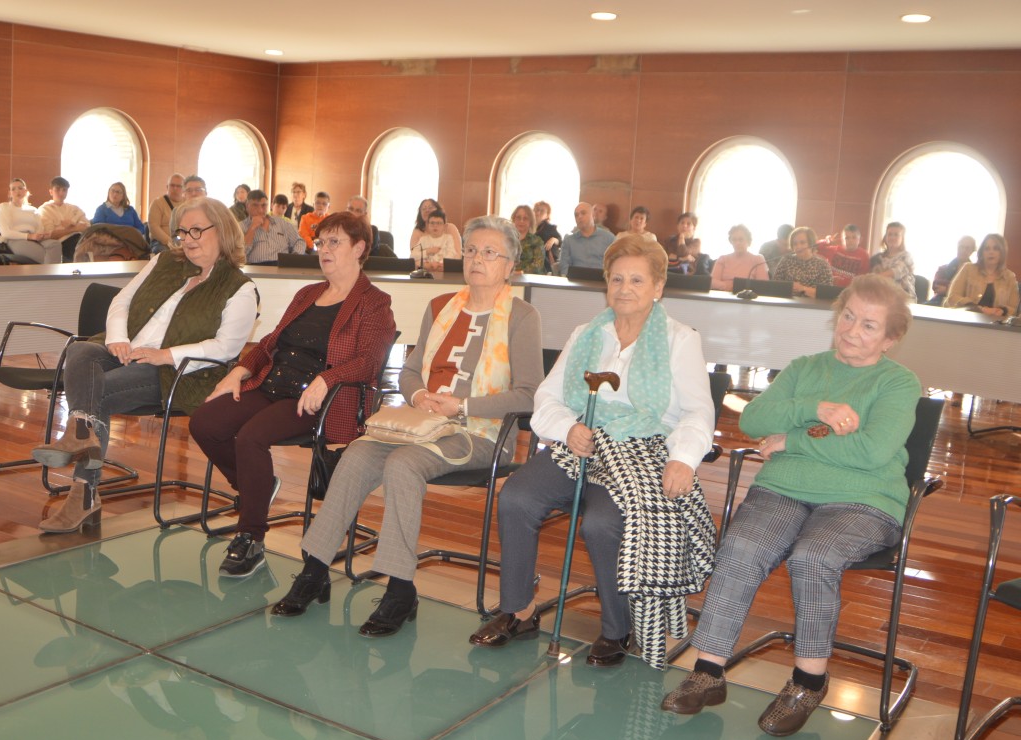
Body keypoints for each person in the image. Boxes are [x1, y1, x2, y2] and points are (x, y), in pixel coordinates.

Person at [661, 273, 921, 738]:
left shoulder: (898, 382)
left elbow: (872, 452)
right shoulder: (806, 367)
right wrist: (814, 409)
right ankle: (708, 669)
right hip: (785, 489)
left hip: (863, 499)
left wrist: (792, 439)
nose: (851, 331)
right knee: (741, 545)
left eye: (868, 326)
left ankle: (808, 681)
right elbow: (755, 417)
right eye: (848, 316)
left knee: (814, 556)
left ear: (891, 338)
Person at [270, 215, 543, 638]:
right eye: (471, 250)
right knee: (359, 453)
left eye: (490, 253)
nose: (477, 259)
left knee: (403, 464)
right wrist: (418, 397)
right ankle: (314, 568)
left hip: (483, 433)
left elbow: (529, 394)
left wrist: (463, 405)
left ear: (510, 266)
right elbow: (409, 370)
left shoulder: (522, 317)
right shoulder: (441, 307)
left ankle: (400, 589)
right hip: (422, 424)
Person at [469, 236, 715, 669]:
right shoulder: (587, 335)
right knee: (517, 496)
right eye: (616, 278)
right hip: (584, 444)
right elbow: (547, 397)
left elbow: (698, 411)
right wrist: (568, 428)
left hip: (643, 452)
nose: (624, 288)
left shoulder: (680, 339)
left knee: (602, 524)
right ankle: (520, 611)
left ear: (658, 287)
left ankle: (618, 629)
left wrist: (684, 458)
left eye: (637, 280)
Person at [30, 197, 258, 532]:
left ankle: (83, 492)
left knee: (98, 392)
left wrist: (165, 355)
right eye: (182, 232)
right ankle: (81, 432)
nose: (189, 239)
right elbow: (122, 299)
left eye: (197, 230)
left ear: (222, 230)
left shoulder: (240, 288)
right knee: (80, 352)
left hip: (177, 372)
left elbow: (226, 348)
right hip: (127, 350)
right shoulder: (165, 261)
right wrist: (118, 338)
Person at [190, 211, 397, 578]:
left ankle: (251, 537)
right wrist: (239, 371)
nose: (324, 249)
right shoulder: (308, 294)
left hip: (318, 401)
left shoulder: (375, 303)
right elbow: (271, 343)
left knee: (250, 438)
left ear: (359, 248)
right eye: (321, 242)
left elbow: (369, 361)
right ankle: (257, 485)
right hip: (272, 385)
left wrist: (328, 378)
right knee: (204, 422)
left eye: (335, 242)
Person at [944, 233, 1019, 317]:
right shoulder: (968, 269)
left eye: (996, 248)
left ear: (1002, 252)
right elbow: (952, 297)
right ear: (982, 253)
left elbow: (1014, 308)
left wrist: (1002, 311)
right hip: (966, 320)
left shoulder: (1010, 277)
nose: (991, 252)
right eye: (987, 249)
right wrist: (978, 309)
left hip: (996, 325)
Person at [0, 178, 63, 264]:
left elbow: (40, 228)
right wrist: (29, 236)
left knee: (55, 244)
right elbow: (5, 233)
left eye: (20, 188)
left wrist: (40, 235)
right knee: (45, 256)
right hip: (15, 239)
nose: (17, 191)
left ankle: (49, 275)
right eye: (13, 189)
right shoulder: (3, 208)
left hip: (35, 238)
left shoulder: (33, 210)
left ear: (25, 191)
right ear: (10, 193)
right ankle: (51, 276)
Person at [241, 189, 305, 264]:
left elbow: (299, 241)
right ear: (247, 206)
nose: (260, 210)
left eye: (264, 205)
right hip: (255, 268)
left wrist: (294, 257)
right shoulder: (240, 227)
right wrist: (252, 228)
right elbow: (240, 254)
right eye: (255, 205)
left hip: (282, 267)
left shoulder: (282, 223)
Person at [37, 176, 90, 262]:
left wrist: (72, 224)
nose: (61, 193)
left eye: (64, 190)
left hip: (80, 239)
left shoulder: (74, 208)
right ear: (51, 192)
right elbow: (51, 235)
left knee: (95, 243)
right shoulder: (44, 210)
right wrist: (75, 228)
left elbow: (87, 226)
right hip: (62, 243)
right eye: (57, 189)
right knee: (78, 246)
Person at [773, 226, 833, 298]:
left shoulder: (822, 265)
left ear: (811, 243)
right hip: (787, 304)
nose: (798, 246)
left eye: (802, 242)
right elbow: (775, 286)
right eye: (795, 244)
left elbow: (826, 293)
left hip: (813, 306)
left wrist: (803, 288)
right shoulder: (786, 260)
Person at [560, 202, 615, 276]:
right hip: (575, 282)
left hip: (601, 282)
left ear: (592, 215)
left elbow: (615, 264)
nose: (579, 217)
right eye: (576, 215)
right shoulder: (569, 240)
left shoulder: (608, 238)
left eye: (583, 213)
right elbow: (564, 267)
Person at [710, 224, 768, 291]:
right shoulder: (723, 259)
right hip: (723, 296)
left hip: (747, 298)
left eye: (741, 239)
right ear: (730, 242)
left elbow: (763, 285)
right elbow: (712, 282)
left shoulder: (758, 259)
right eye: (734, 240)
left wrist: (727, 285)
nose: (737, 243)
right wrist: (730, 286)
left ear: (748, 241)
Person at [870, 221, 916, 301]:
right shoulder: (877, 258)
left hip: (902, 298)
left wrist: (870, 279)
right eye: (889, 234)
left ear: (902, 238)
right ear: (885, 237)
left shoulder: (906, 256)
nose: (892, 237)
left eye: (896, 235)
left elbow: (894, 273)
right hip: (882, 297)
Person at [928, 235, 976, 305]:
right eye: (961, 247)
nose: (963, 250)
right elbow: (936, 285)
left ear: (972, 251)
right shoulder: (943, 268)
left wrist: (946, 289)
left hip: (961, 306)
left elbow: (970, 294)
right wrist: (959, 289)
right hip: (938, 302)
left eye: (967, 248)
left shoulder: (975, 273)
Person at [148, 174, 186, 253]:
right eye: (172, 185)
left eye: (179, 186)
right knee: (168, 255)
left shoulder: (187, 203)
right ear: (167, 187)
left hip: (182, 241)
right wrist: (171, 242)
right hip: (161, 243)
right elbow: (154, 227)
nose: (175, 188)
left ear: (184, 189)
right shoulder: (157, 203)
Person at [511, 204, 545, 274]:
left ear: (530, 221)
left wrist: (521, 272)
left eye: (525, 218)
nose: (521, 221)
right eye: (518, 217)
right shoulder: (506, 239)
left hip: (529, 280)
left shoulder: (537, 241)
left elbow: (538, 265)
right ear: (514, 219)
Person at [533, 200, 561, 274]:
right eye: (536, 210)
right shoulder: (529, 227)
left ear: (547, 215)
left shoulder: (550, 227)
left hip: (546, 264)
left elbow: (560, 240)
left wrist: (553, 240)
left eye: (542, 211)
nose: (538, 213)